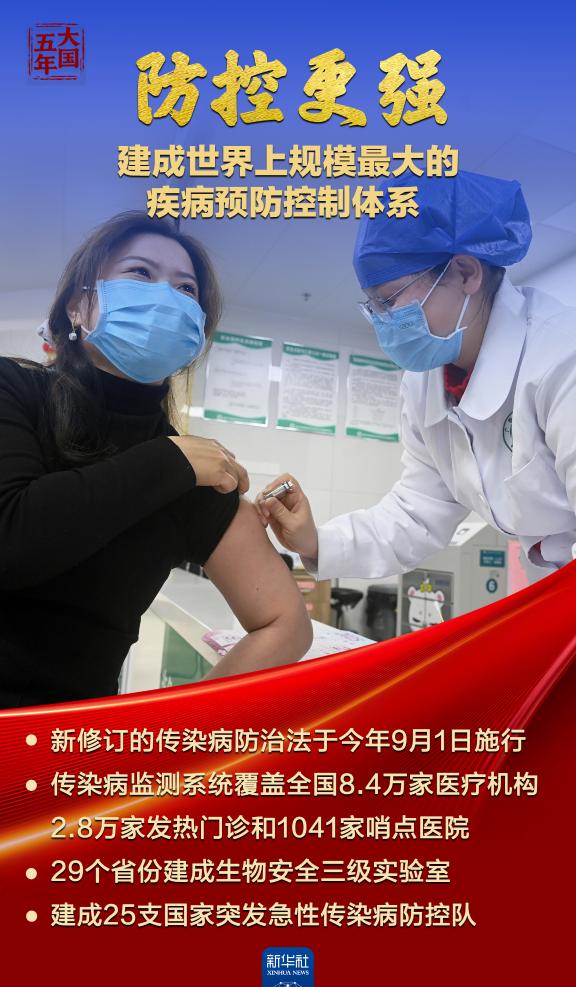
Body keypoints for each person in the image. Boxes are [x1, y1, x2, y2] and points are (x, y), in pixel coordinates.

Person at [0, 212, 312, 708]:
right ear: (79, 306)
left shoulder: (197, 470)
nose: (166, 297)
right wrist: (167, 462)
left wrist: (171, 732)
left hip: (71, 740)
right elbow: (11, 542)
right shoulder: (14, 390)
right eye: (141, 273)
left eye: (186, 289)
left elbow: (287, 624)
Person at [256, 170, 576, 585]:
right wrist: (317, 542)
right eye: (373, 307)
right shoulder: (424, 383)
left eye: (389, 300)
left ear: (465, 273)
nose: (384, 322)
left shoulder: (560, 356)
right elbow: (417, 513)